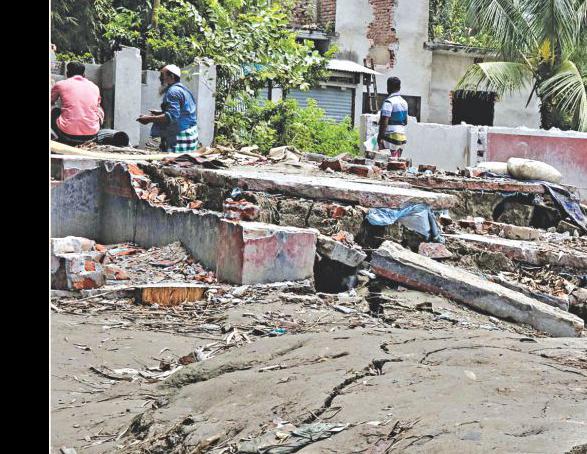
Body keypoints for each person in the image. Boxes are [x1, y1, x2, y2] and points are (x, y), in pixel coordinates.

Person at [137, 64, 199, 153]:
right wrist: (160, 113)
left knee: (174, 161)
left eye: (162, 75)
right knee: (185, 160)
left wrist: (149, 119)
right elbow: (183, 112)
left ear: (172, 76)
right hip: (190, 134)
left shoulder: (173, 92)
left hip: (180, 136)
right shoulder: (184, 90)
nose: (160, 78)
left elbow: (171, 116)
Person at [51, 62, 104, 145]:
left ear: (67, 74)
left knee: (55, 111)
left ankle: (54, 137)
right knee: (99, 109)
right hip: (91, 135)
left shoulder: (60, 84)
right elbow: (97, 106)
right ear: (84, 74)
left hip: (66, 135)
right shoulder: (95, 87)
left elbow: (51, 101)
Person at [377, 76, 408, 158]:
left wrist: (380, 137)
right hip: (402, 137)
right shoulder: (404, 102)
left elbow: (384, 121)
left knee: (384, 161)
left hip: (390, 138)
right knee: (396, 162)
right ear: (399, 87)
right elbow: (405, 122)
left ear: (388, 87)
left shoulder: (389, 102)